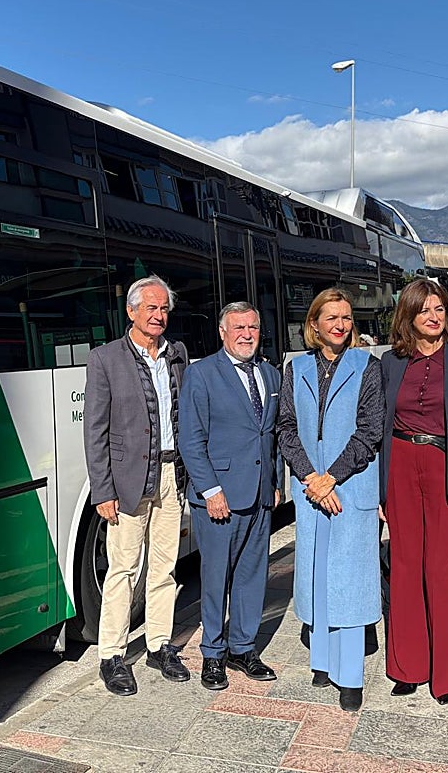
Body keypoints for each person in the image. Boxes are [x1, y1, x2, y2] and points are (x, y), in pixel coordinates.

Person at [380, 278, 448, 706]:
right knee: (405, 566)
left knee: (441, 570)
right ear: (408, 315)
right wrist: (377, 491)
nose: (433, 316)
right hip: (401, 465)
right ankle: (408, 667)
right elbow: (378, 428)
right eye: (424, 310)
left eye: (439, 308)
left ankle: (444, 674)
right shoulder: (392, 362)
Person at [83, 275, 190, 696]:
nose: (159, 315)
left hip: (170, 474)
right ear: (131, 311)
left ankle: (159, 645)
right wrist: (102, 490)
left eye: (164, 308)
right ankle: (111, 654)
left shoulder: (177, 354)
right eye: (151, 308)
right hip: (127, 480)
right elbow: (95, 431)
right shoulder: (105, 359)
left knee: (164, 565)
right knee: (123, 569)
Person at [278, 287, 383, 712]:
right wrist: (309, 477)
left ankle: (350, 675)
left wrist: (331, 478)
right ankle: (321, 661)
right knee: (317, 576)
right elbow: (286, 426)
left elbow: (369, 431)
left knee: (350, 581)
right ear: (315, 325)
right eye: (331, 318)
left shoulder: (367, 366)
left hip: (350, 486)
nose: (340, 325)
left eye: (345, 318)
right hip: (310, 489)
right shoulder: (296, 367)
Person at [178, 302, 281, 691]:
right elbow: (191, 438)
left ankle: (243, 648)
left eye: (253, 327)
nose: (247, 334)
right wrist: (211, 490)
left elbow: (269, 436)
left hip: (258, 495)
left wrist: (274, 481)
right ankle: (212, 654)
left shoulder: (270, 374)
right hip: (218, 497)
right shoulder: (202, 374)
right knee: (215, 577)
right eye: (238, 327)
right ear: (223, 332)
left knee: (253, 576)